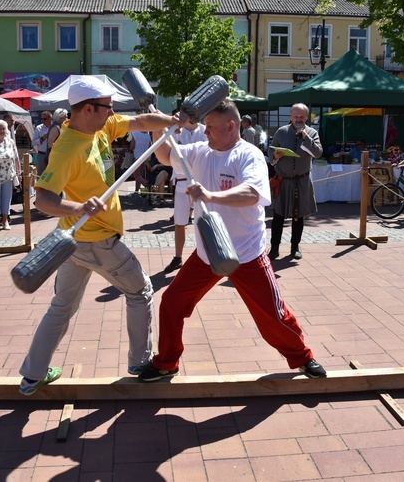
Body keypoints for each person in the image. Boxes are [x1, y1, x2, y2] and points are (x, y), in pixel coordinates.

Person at [137, 100, 326, 382]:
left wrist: (210, 196)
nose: (205, 133)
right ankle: (167, 362)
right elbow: (165, 155)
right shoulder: (202, 150)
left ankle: (302, 357)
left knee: (272, 317)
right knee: (172, 302)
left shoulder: (248, 155)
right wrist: (160, 126)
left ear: (231, 126)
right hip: (208, 253)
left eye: (210, 127)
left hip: (246, 254)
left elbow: (251, 193)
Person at [18, 75, 183, 396]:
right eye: (107, 108)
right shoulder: (67, 148)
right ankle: (140, 362)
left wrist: (172, 120)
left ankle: (32, 375)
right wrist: (79, 207)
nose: (112, 113)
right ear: (88, 108)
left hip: (75, 242)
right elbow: (42, 199)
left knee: (62, 306)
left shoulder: (101, 127)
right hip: (95, 240)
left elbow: (139, 121)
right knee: (141, 291)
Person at [267, 103, 323, 260]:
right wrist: (275, 156)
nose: (299, 119)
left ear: (306, 117)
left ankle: (295, 247)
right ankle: (274, 248)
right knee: (278, 216)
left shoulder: (312, 132)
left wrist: (306, 138)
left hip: (302, 181)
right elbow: (271, 150)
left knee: (299, 217)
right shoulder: (281, 132)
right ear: (291, 117)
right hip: (283, 180)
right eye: (296, 116)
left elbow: (318, 153)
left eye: (302, 117)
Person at [164, 119, 206, 274]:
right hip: (181, 182)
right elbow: (169, 155)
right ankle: (178, 257)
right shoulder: (175, 131)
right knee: (179, 222)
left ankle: (204, 257)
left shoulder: (204, 130)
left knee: (201, 222)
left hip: (199, 182)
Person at [129, 129, 152, 194]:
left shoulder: (135, 133)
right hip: (145, 157)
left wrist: (130, 149)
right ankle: (136, 190)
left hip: (137, 156)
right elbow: (150, 146)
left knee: (136, 175)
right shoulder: (148, 135)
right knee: (140, 174)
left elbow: (132, 146)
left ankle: (147, 185)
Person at [32, 111, 53, 177]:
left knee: (52, 175)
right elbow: (33, 142)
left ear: (50, 118)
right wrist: (42, 138)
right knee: (41, 176)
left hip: (53, 155)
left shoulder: (55, 128)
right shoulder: (39, 128)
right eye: (42, 119)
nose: (43, 121)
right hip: (42, 155)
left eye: (45, 119)